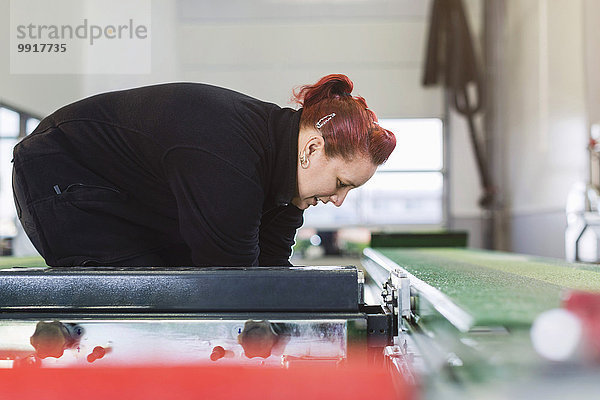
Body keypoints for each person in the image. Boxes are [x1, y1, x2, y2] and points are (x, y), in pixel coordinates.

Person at [12, 74, 396, 267]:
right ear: (312, 148)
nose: (339, 200)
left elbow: (273, 267)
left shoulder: (280, 175)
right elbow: (233, 281)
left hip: (132, 191)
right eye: (341, 183)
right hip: (61, 172)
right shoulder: (231, 160)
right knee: (150, 296)